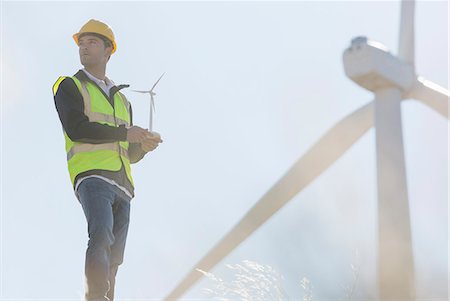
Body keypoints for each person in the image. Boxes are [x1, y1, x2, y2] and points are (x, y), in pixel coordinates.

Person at [53, 19, 162, 301]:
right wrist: (127, 132)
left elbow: (128, 153)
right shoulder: (69, 85)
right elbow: (77, 128)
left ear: (108, 51)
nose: (84, 48)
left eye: (91, 42)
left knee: (115, 257)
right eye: (81, 43)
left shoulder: (123, 102)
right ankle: (95, 297)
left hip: (123, 185)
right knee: (100, 236)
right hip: (92, 176)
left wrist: (143, 146)